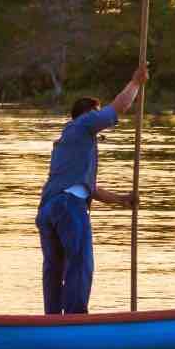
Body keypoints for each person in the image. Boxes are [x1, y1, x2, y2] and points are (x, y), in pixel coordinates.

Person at [37, 64, 148, 314]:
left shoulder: (68, 140)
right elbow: (120, 106)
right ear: (87, 115)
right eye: (97, 115)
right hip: (68, 207)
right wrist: (136, 82)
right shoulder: (83, 125)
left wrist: (122, 200)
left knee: (54, 269)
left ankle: (52, 320)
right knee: (81, 263)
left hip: (48, 209)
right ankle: (76, 319)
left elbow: (90, 189)